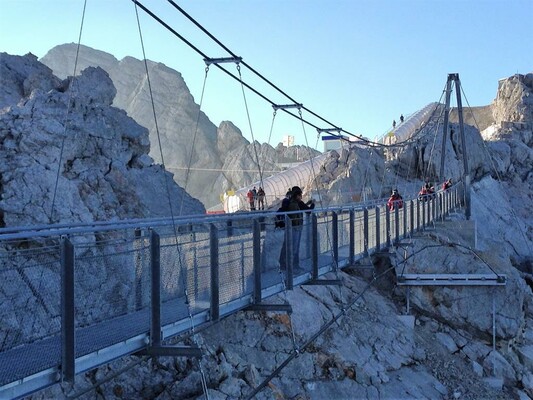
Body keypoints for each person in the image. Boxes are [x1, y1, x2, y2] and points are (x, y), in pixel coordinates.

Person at [279, 186, 315, 271]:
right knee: (294, 248)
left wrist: (307, 203)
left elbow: (302, 208)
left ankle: (285, 265)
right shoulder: (297, 203)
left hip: (290, 228)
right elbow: (308, 211)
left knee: (287, 246)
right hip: (295, 228)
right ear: (297, 195)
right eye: (300, 195)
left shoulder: (291, 202)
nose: (301, 197)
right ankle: (292, 266)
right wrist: (313, 204)